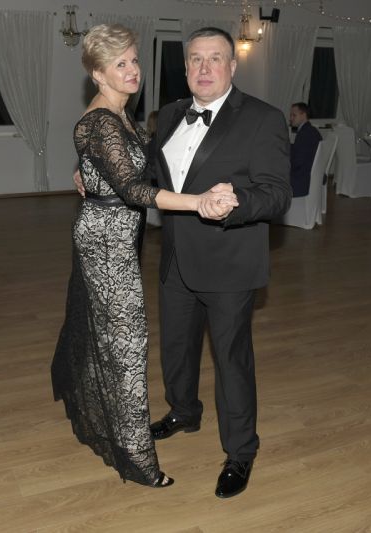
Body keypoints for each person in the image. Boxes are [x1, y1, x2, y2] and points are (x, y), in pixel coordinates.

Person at [51, 24, 238, 489]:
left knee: (120, 339)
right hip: (106, 242)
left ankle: (117, 425)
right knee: (129, 344)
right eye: (120, 64)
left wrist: (88, 168)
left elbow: (133, 165)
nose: (133, 70)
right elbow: (135, 190)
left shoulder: (120, 114)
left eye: (134, 60)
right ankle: (136, 458)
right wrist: (197, 202)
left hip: (116, 234)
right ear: (98, 73)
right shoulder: (101, 121)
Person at [146, 27, 291, 499]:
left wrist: (237, 200)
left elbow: (278, 194)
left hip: (229, 260)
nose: (204, 67)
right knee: (176, 348)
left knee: (231, 360)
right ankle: (184, 412)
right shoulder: (170, 114)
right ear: (185, 66)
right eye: (195, 58)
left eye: (214, 58)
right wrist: (95, 170)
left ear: (232, 66)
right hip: (175, 258)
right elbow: (153, 171)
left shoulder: (263, 118)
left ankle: (241, 451)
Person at [288, 102, 322, 197]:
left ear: (303, 115)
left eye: (294, 115)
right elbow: (301, 150)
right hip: (310, 174)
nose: (290, 118)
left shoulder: (305, 134)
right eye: (291, 115)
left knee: (275, 175)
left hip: (302, 179)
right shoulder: (310, 130)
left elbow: (297, 162)